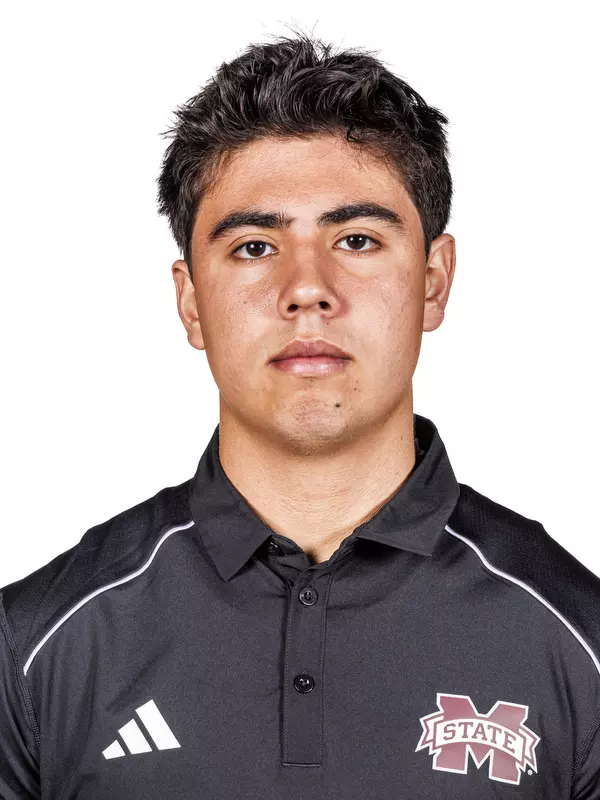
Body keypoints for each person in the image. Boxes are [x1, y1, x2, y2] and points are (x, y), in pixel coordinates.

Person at [1, 29, 599, 800]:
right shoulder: (36, 648)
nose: (307, 289)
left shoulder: (577, 642)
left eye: (357, 239)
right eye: (255, 247)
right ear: (190, 300)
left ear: (433, 282)